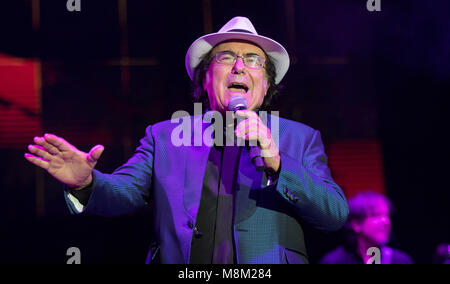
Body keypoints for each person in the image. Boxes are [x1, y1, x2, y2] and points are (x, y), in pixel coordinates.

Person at [24, 16, 349, 264]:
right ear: (204, 81)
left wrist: (278, 164)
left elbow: (333, 214)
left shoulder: (299, 138)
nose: (239, 66)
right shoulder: (164, 136)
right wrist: (87, 183)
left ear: (265, 87)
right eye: (225, 58)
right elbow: (122, 194)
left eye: (253, 61)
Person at [319, 191, 413, 264]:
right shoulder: (334, 261)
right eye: (376, 215)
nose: (385, 221)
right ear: (356, 224)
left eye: (386, 215)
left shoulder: (400, 260)